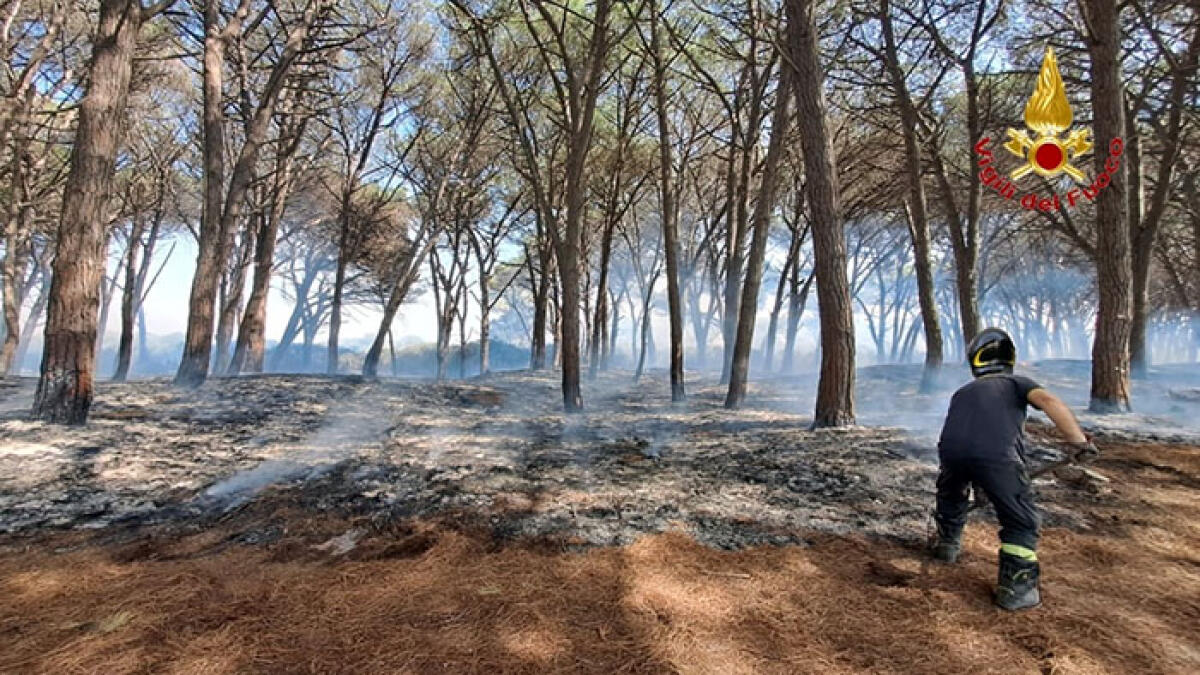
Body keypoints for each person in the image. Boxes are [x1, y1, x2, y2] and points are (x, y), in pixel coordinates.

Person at [932, 327, 1098, 611]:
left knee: (952, 497)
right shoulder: (1017, 384)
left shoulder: (963, 391)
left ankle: (946, 545)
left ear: (975, 361)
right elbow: (1049, 402)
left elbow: (965, 433)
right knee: (1021, 521)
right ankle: (1016, 589)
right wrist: (1078, 441)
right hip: (997, 457)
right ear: (1009, 359)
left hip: (950, 453)